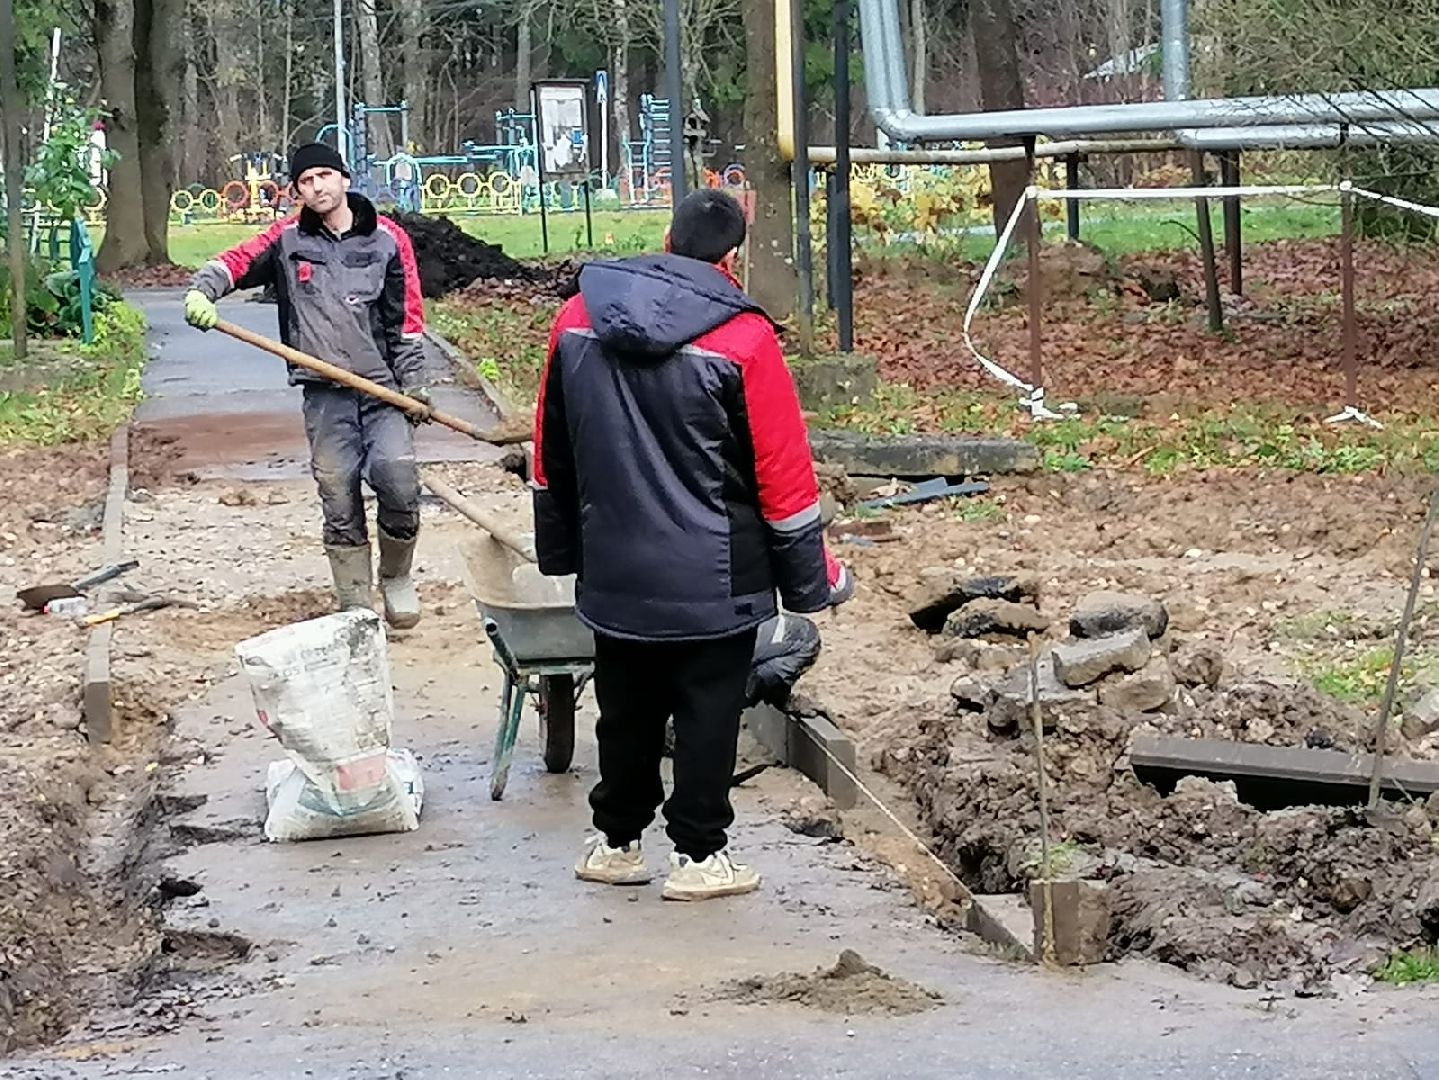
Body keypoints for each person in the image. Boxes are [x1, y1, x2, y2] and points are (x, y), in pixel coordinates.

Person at [533, 188, 854, 902]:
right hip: (717, 568)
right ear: (730, 257)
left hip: (614, 563)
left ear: (667, 240)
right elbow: (781, 472)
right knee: (708, 709)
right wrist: (812, 583)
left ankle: (615, 842)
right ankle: (699, 857)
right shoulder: (743, 338)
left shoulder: (577, 317)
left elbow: (551, 451)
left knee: (624, 705)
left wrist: (561, 551)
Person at [182, 142, 432, 629]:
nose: (316, 187)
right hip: (324, 392)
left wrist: (416, 386)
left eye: (324, 175)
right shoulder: (288, 239)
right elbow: (234, 263)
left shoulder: (388, 240)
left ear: (344, 177)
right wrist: (202, 289)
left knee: (398, 481)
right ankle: (356, 605)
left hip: (384, 392)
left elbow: (408, 320)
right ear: (297, 190)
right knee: (338, 493)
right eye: (305, 181)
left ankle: (397, 576)